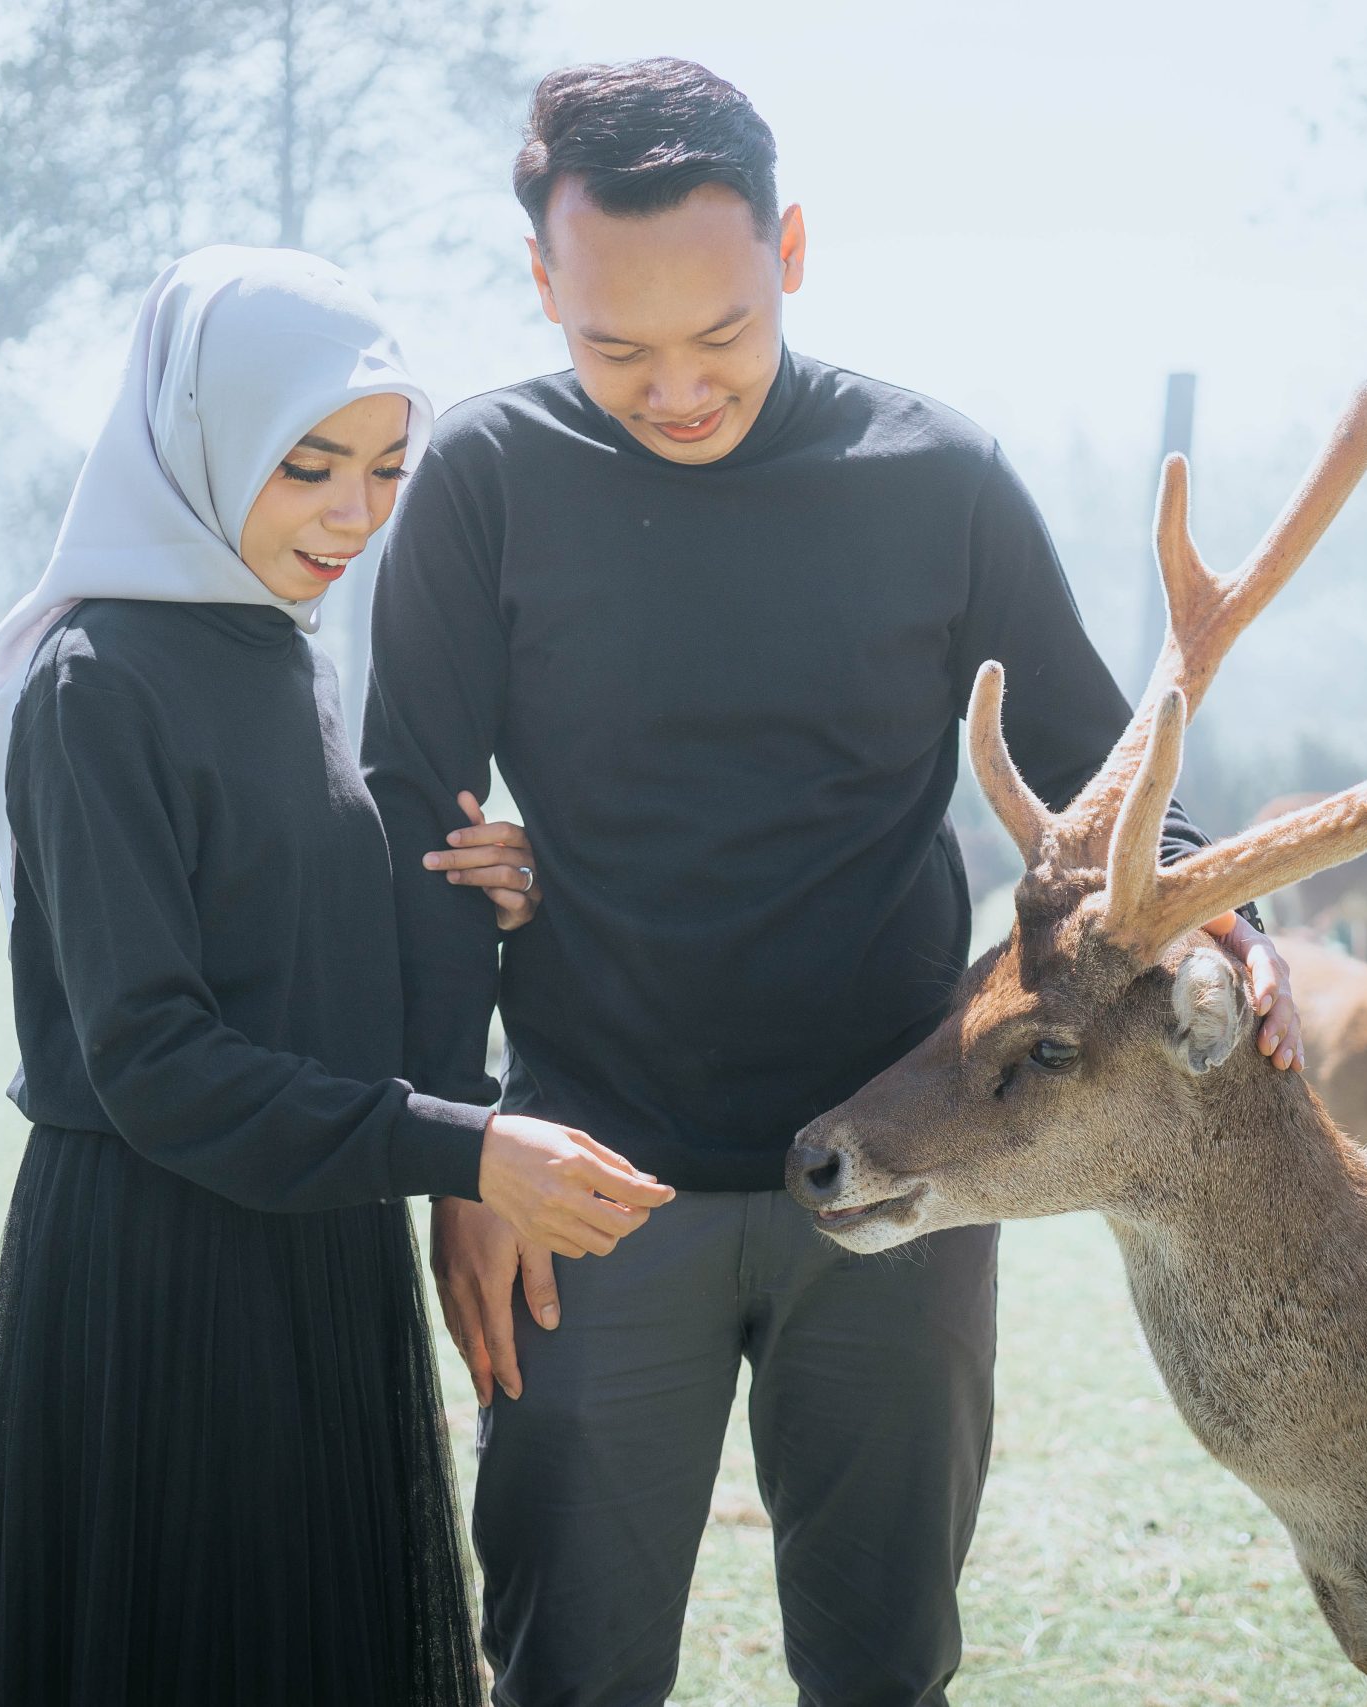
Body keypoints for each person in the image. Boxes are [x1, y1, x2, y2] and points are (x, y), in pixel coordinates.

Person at [362, 62, 1304, 1706]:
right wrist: (462, 1158)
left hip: (909, 1172)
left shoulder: (938, 477)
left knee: (884, 1674)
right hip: (580, 1183)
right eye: (616, 349)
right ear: (542, 283)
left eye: (720, 335)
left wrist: (1229, 916)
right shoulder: (484, 479)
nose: (675, 391)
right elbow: (419, 829)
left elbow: (1104, 783)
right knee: (568, 1677)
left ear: (789, 249)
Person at [0, 245, 673, 1707]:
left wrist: (481, 896)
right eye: (311, 468)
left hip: (313, 1244)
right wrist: (469, 1150)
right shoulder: (96, 682)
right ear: (200, 440)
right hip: (162, 1272)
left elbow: (296, 971)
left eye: (388, 470)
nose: (356, 514)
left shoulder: (287, 657)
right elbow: (154, 1059)